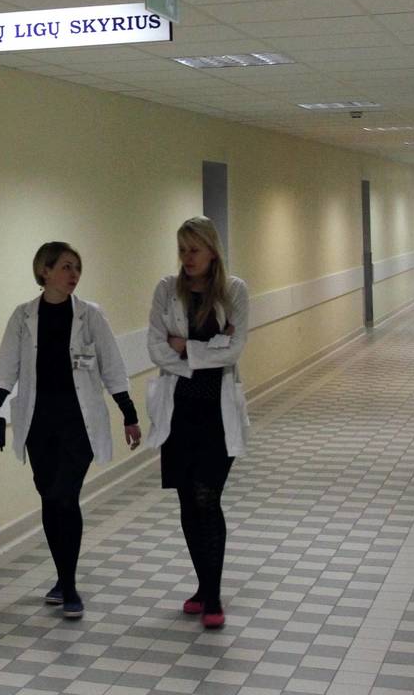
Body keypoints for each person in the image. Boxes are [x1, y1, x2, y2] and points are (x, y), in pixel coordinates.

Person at [0, 241, 141, 619]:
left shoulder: (90, 315)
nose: (74, 274)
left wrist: (129, 415)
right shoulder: (23, 317)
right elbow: (6, 369)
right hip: (39, 424)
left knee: (65, 497)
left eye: (77, 267)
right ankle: (62, 576)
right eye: (66, 267)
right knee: (50, 499)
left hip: (78, 424)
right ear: (45, 271)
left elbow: (112, 367)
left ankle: (69, 588)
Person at [144, 216, 250, 629]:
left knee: (208, 498)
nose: (187, 258)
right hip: (180, 412)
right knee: (188, 501)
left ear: (212, 251)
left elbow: (234, 350)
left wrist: (185, 348)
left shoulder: (234, 291)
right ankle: (203, 587)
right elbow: (156, 348)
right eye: (182, 250)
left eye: (194, 250)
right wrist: (205, 351)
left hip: (217, 415)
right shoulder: (166, 290)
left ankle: (214, 595)